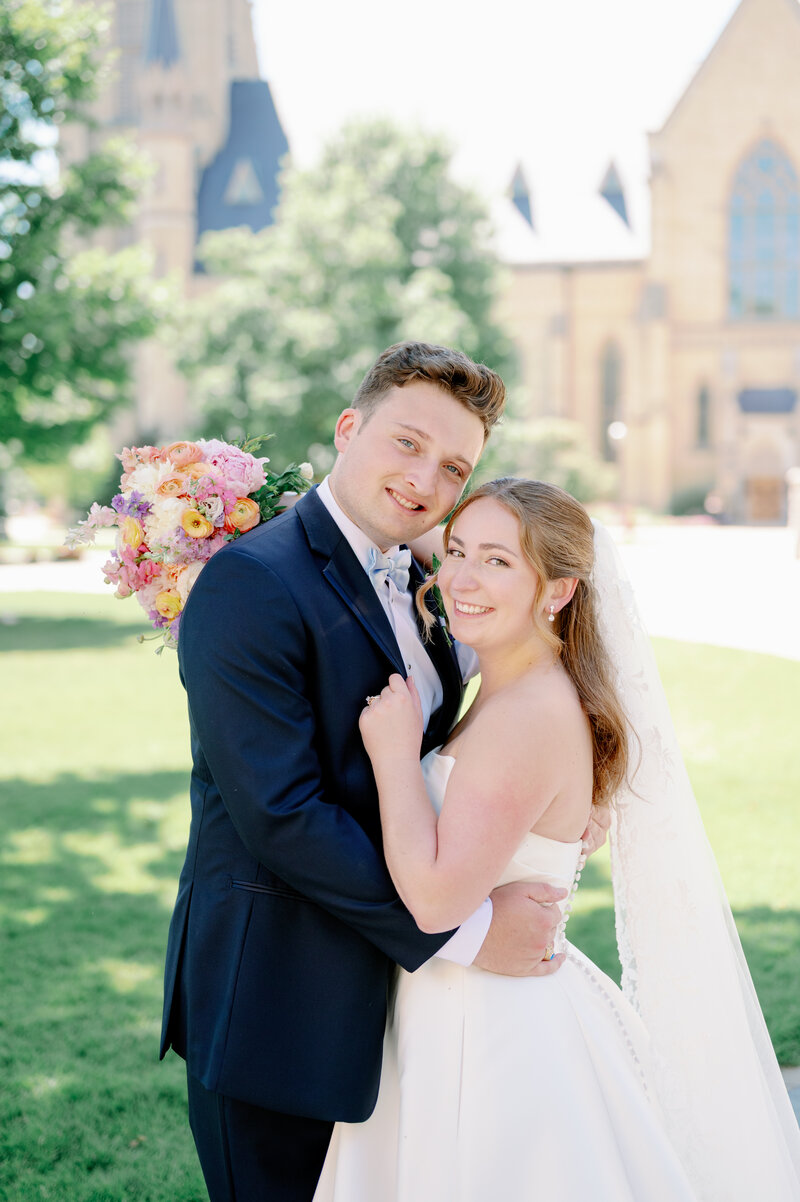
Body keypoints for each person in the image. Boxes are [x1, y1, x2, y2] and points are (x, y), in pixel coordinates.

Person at [160, 343, 604, 1202]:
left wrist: (572, 798)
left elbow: (482, 735)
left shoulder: (433, 582)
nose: (425, 480)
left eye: (453, 466)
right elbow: (282, 813)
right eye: (406, 443)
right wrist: (467, 927)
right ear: (349, 427)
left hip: (402, 1011)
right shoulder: (253, 583)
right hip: (279, 1002)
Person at [314, 478, 800, 1202]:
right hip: (460, 1001)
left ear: (560, 591)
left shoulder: (527, 714)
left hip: (491, 1031)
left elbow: (436, 899)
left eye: (499, 562)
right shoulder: (514, 683)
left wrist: (393, 756)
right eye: (456, 552)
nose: (462, 579)